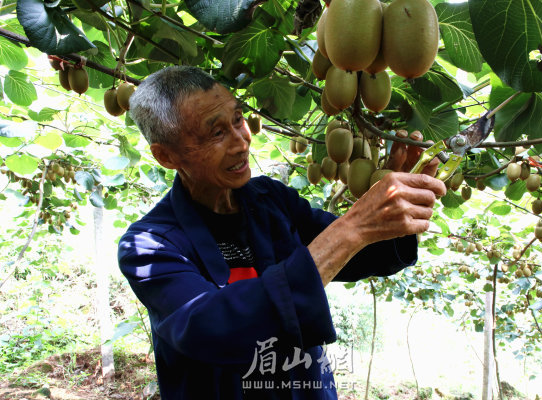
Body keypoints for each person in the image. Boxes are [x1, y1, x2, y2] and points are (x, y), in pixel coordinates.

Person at [117, 65, 446, 400]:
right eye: (215, 133)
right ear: (167, 156)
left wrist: (396, 210)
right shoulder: (148, 246)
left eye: (237, 119)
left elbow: (359, 257)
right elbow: (211, 326)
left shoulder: (271, 200)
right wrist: (354, 226)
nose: (241, 142)